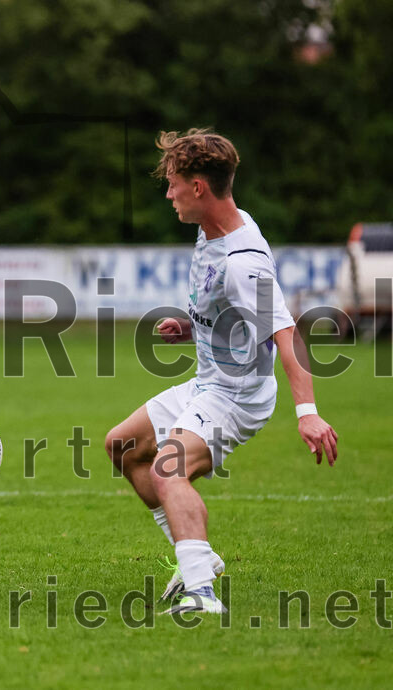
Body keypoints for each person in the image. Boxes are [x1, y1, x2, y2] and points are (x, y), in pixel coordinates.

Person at [103, 129, 339, 614]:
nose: (167, 194)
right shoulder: (212, 230)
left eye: (172, 183)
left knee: (169, 471)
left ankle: (202, 596)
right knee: (121, 446)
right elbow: (235, 316)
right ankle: (199, 556)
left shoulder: (243, 262)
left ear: (198, 188)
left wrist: (308, 412)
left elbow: (286, 336)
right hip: (208, 381)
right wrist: (192, 328)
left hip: (237, 396)